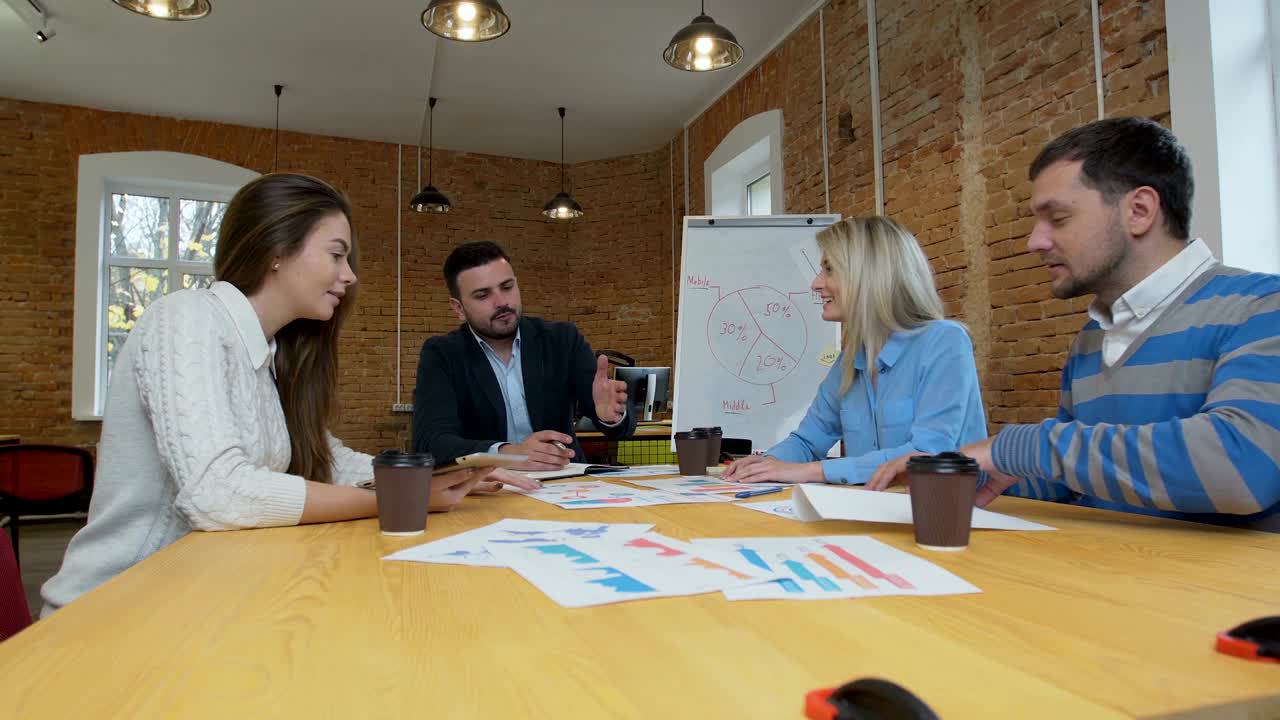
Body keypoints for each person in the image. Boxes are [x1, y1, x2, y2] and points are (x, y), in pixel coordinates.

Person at [40, 173, 490, 615]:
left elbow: (327, 461)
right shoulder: (187, 319)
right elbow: (218, 494)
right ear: (277, 249)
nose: (349, 276)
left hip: (199, 599)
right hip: (114, 611)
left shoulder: (270, 353)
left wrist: (442, 477)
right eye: (337, 254)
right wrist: (397, 500)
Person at [869, 117, 1280, 531]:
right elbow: (1074, 479)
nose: (1035, 241)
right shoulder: (1093, 338)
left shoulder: (1263, 307)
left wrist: (1019, 448)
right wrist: (958, 473)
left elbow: (1244, 466)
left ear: (1139, 211)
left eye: (1059, 219)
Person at [722, 217, 987, 485]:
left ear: (869, 274)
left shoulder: (944, 342)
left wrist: (812, 471)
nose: (816, 283)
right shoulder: (849, 361)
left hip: (953, 516)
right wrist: (764, 464)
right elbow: (806, 441)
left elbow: (927, 454)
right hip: (878, 512)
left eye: (829, 269)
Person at [412, 241, 634, 471]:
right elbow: (431, 444)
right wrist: (507, 454)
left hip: (566, 481)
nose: (502, 302)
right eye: (482, 295)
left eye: (507, 287)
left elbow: (622, 428)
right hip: (490, 487)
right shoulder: (442, 354)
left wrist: (612, 416)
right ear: (458, 308)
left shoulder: (562, 340)